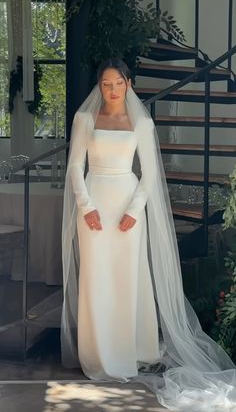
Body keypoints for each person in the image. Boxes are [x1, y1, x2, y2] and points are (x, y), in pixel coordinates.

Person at [61, 58, 236, 410]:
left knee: (127, 280)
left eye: (118, 83)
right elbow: (76, 166)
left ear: (129, 83)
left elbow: (151, 174)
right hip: (93, 204)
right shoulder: (84, 119)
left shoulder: (142, 121)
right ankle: (97, 356)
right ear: (100, 86)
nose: (112, 90)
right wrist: (86, 206)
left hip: (127, 204)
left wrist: (133, 210)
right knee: (96, 279)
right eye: (106, 84)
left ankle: (126, 352)